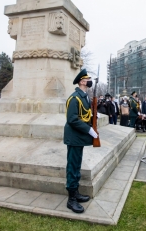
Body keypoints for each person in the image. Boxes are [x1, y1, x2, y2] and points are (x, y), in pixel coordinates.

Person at [64, 68, 98, 213]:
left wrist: (93, 123)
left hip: (79, 137)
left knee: (77, 166)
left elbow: (86, 115)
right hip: (74, 137)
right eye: (88, 79)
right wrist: (88, 129)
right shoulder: (74, 98)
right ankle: (71, 200)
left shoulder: (84, 96)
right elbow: (72, 119)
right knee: (73, 167)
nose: (90, 80)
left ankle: (75, 193)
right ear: (82, 81)